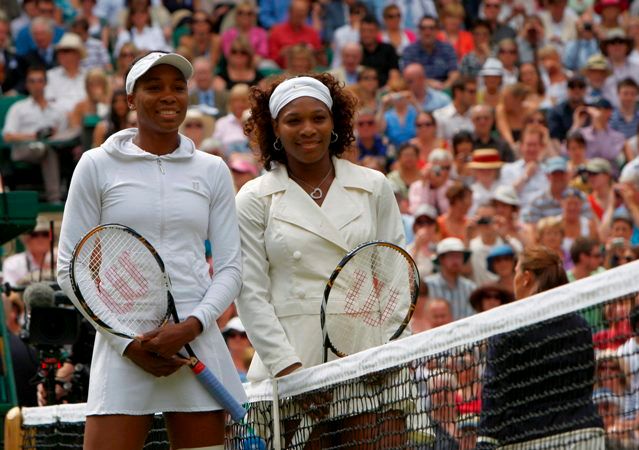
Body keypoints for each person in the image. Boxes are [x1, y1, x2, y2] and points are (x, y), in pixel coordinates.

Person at [56, 52, 246, 450]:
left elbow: (230, 268)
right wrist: (127, 342)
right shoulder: (95, 165)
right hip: (123, 347)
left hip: (195, 342)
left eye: (178, 87)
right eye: (153, 87)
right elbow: (70, 267)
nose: (168, 96)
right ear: (129, 99)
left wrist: (191, 325)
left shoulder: (212, 170)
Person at [235, 73, 407, 447]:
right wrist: (289, 370)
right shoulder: (254, 198)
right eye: (293, 120)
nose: (308, 129)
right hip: (291, 368)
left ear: (335, 124)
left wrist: (393, 350)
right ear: (275, 129)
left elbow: (397, 276)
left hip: (372, 359)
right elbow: (250, 292)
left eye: (318, 117)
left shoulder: (374, 186)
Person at [476, 245, 605, 449]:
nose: (514, 278)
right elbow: (585, 383)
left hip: (526, 438)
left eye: (516, 271)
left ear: (526, 277)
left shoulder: (507, 328)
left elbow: (494, 393)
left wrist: (485, 442)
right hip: (584, 434)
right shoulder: (580, 326)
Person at [424, 237, 476, 321]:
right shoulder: (428, 286)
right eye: (451, 256)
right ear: (441, 259)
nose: (456, 260)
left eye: (459, 256)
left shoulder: (470, 288)